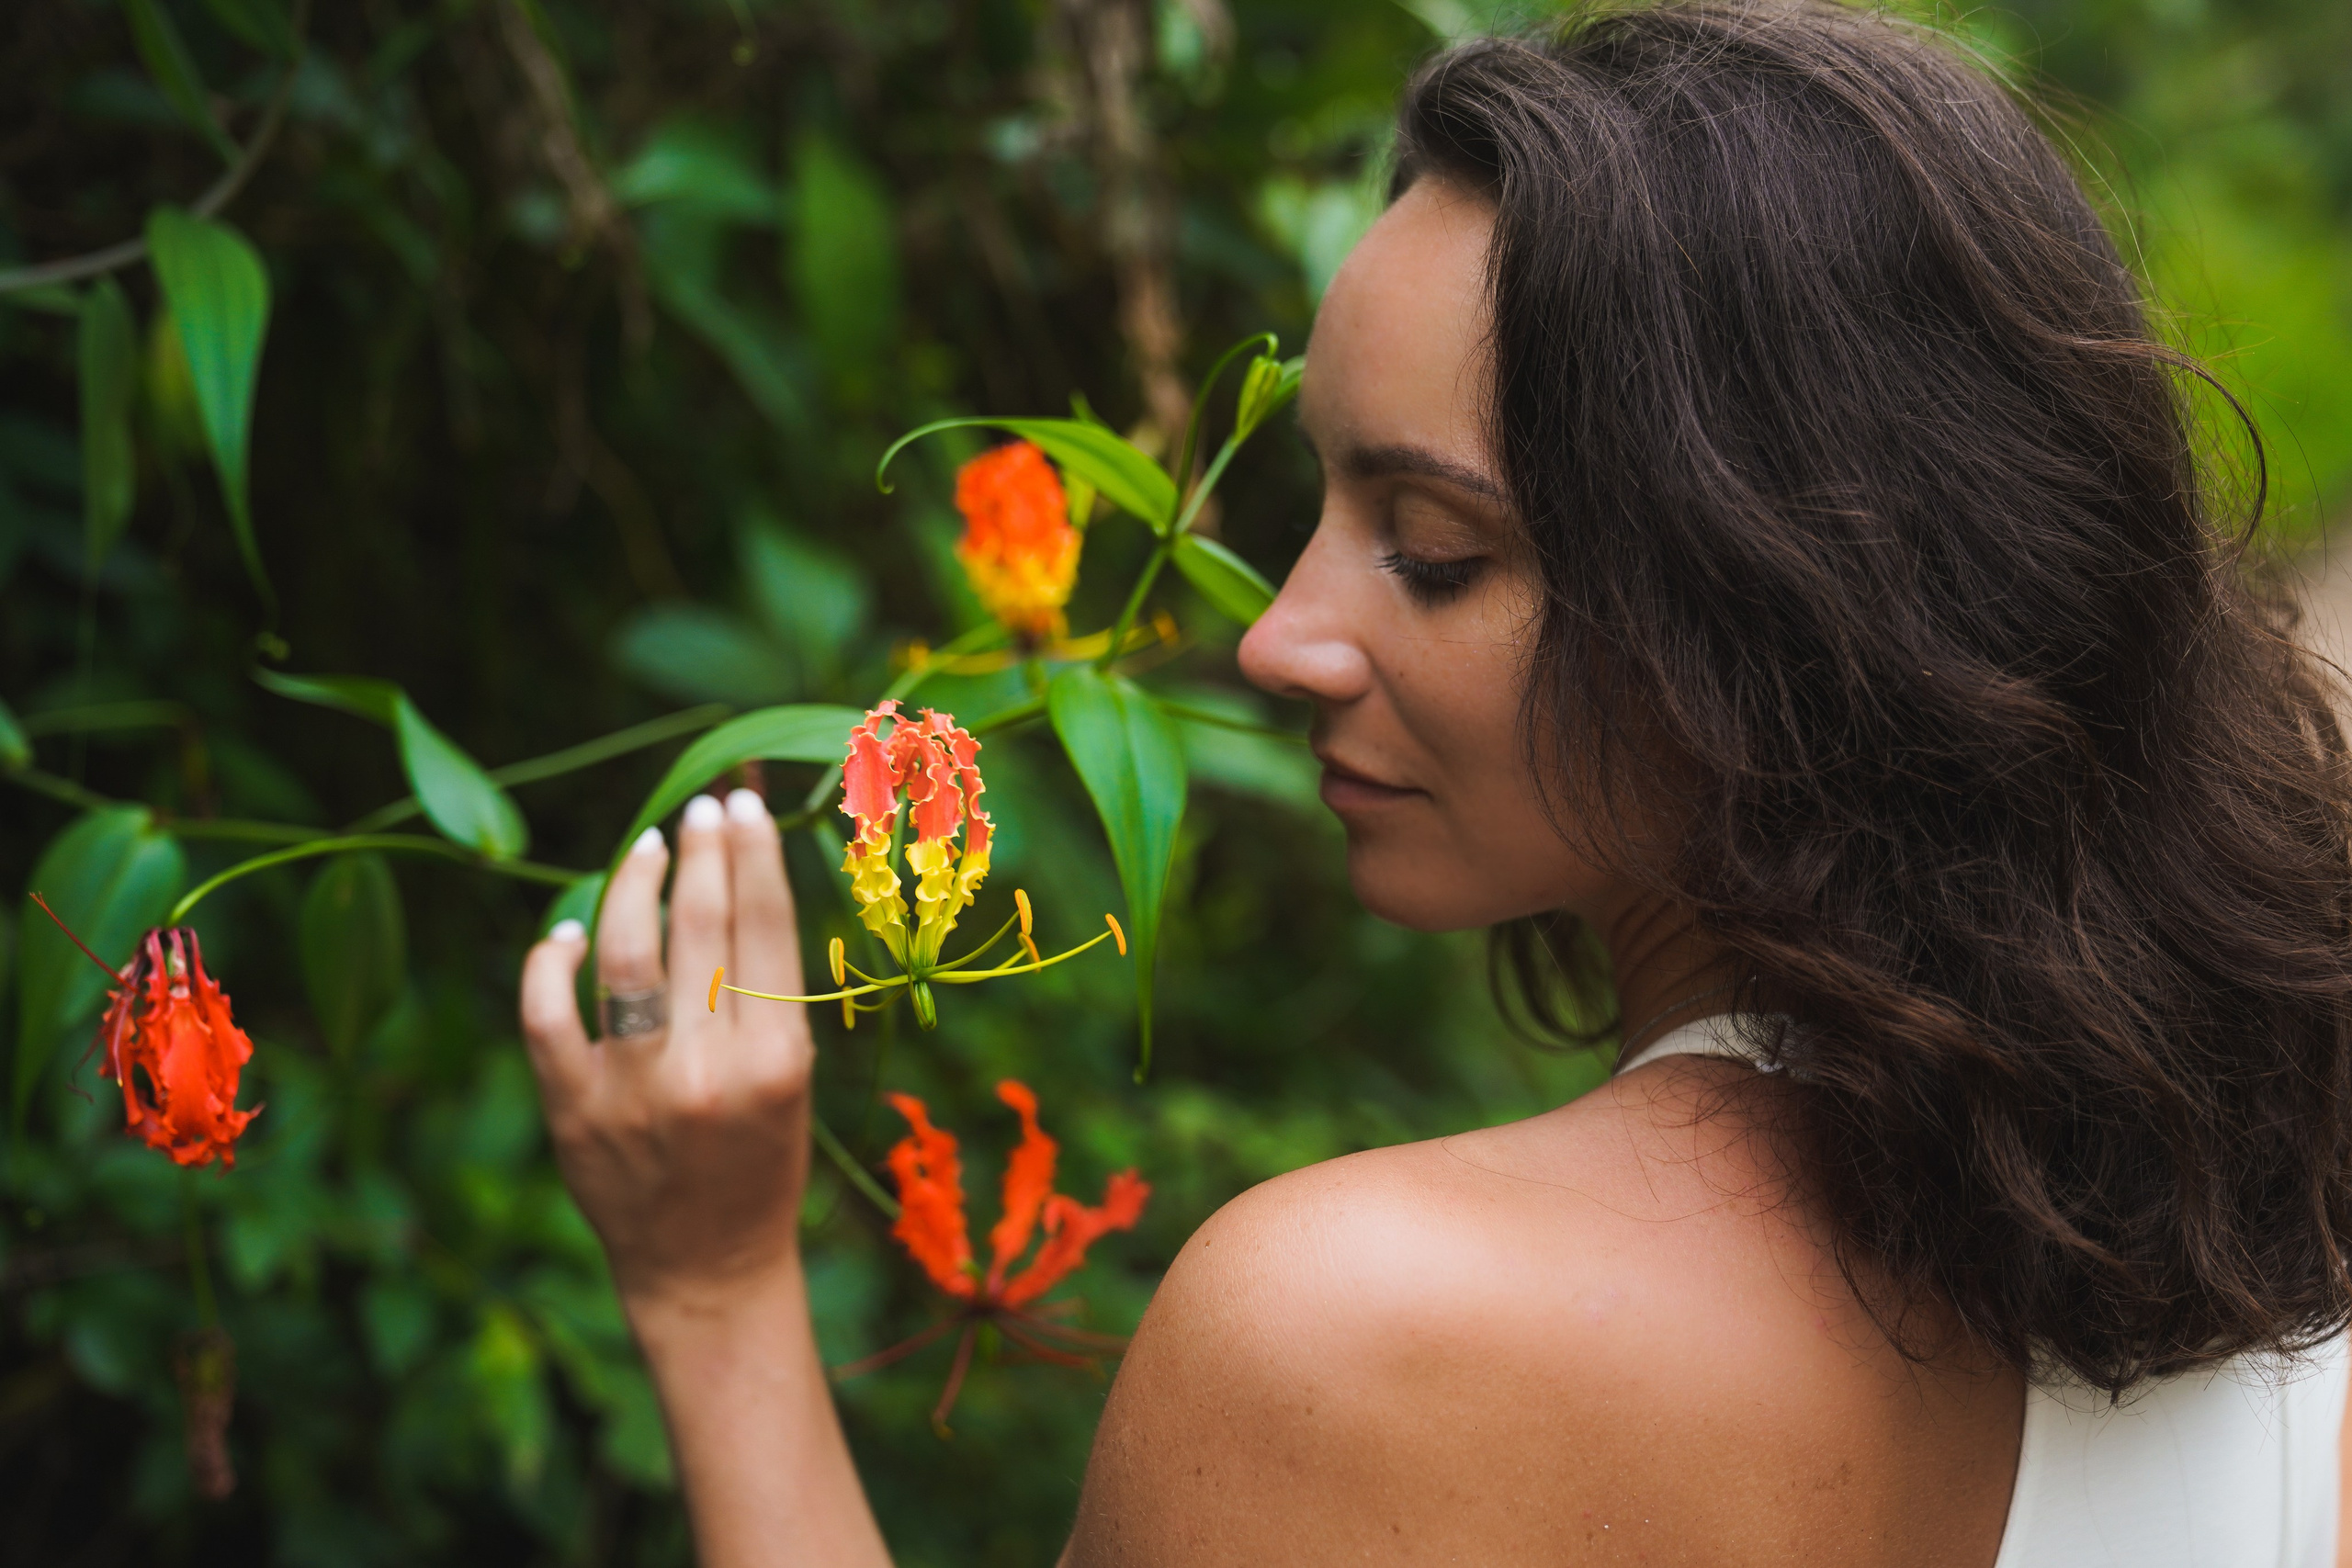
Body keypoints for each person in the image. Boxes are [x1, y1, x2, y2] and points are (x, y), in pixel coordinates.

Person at [517, 4, 2352, 1562]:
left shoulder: (1350, 1324)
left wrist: (712, 1296)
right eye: (1317, 504)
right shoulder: (2275, 1232)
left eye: (1432, 547)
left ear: (1775, 602)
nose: (1275, 637)